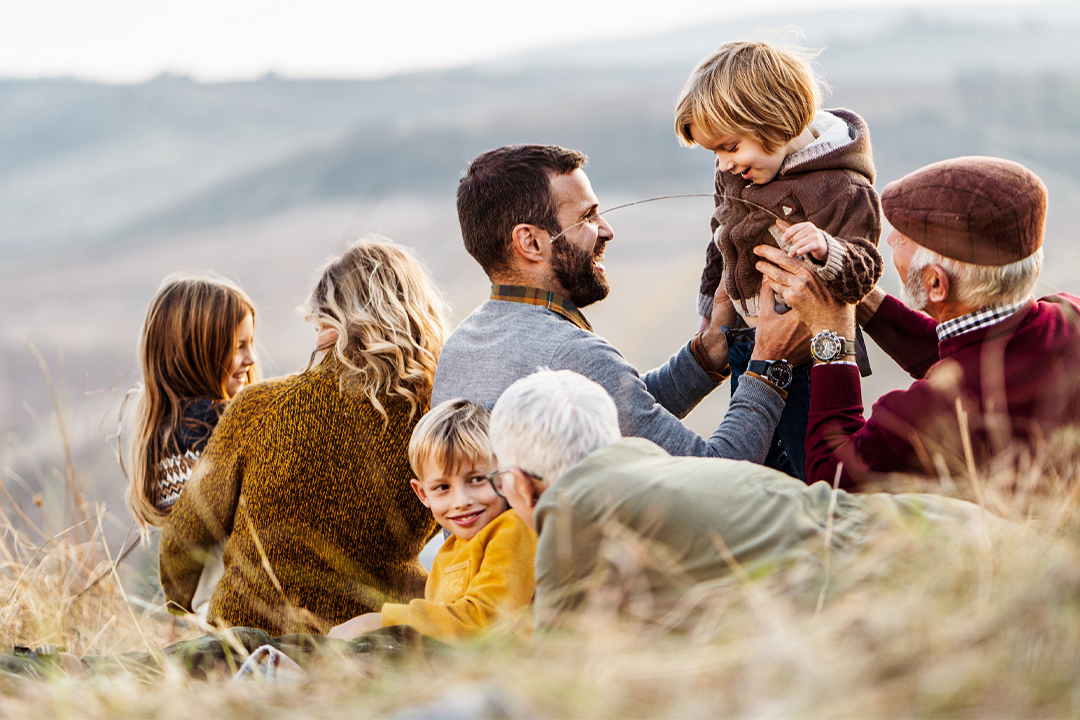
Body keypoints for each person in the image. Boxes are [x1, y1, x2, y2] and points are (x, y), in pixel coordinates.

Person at [486, 369, 989, 628]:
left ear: (522, 484)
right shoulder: (652, 474)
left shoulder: (574, 504)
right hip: (949, 533)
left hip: (920, 580)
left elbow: (556, 672)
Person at [434, 144, 807, 465]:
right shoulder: (572, 355)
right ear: (530, 242)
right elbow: (716, 474)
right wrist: (770, 363)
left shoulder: (460, 346)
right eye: (586, 217)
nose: (607, 229)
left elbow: (623, 415)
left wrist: (708, 352)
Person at [159, 237, 448, 635]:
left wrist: (179, 611)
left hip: (248, 640)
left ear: (332, 324)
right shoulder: (436, 421)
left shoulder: (256, 407)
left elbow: (183, 543)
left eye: (319, 323)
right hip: (374, 637)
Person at [754, 156, 1080, 489]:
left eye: (905, 239)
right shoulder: (1070, 314)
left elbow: (831, 474)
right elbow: (965, 356)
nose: (892, 240)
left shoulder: (929, 413)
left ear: (936, 284)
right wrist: (856, 291)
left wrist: (831, 333)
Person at [674, 40, 884, 479]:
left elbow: (864, 270)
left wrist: (829, 250)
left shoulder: (841, 186)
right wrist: (710, 316)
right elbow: (721, 240)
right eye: (715, 153)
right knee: (756, 477)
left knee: (813, 476)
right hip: (749, 347)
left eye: (730, 147)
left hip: (810, 355)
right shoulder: (738, 172)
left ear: (773, 117)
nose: (725, 164)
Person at [328, 399, 536, 643]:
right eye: (442, 487)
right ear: (422, 494)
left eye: (476, 480)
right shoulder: (449, 550)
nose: (461, 501)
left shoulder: (513, 529)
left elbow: (486, 619)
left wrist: (380, 620)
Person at [128, 274, 259, 528]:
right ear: (198, 353)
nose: (251, 357)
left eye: (251, 343)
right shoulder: (223, 423)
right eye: (237, 346)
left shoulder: (161, 437)